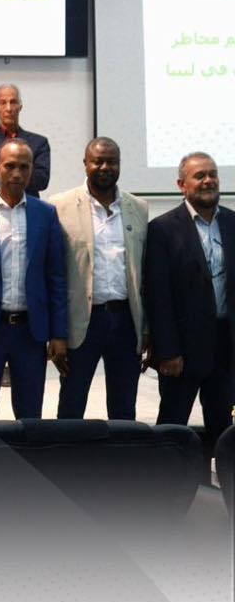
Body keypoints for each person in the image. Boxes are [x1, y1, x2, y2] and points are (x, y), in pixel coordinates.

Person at [0, 139, 69, 424]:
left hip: (30, 332)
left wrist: (58, 333)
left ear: (31, 171)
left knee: (30, 419)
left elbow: (56, 277)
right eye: (10, 166)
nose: (17, 173)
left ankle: (25, 455)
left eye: (24, 167)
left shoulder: (46, 214)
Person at [48, 138, 148, 421]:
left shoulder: (138, 207)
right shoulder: (59, 206)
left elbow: (144, 273)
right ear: (85, 164)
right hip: (82, 321)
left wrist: (147, 329)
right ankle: (67, 451)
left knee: (124, 406)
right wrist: (56, 333)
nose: (105, 167)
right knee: (72, 403)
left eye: (112, 161)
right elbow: (53, 274)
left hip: (125, 320)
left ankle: (120, 451)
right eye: (98, 161)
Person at [145, 151, 235, 448]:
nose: (208, 180)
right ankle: (164, 477)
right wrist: (168, 351)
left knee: (223, 427)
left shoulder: (232, 223)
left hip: (226, 346)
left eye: (213, 174)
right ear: (182, 185)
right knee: (172, 428)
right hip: (182, 351)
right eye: (200, 176)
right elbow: (158, 296)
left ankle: (224, 477)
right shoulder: (162, 229)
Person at [0, 84, 51, 198]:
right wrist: (24, 173)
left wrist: (4, 173)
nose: (9, 108)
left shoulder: (39, 143)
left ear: (20, 106)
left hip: (29, 205)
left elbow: (41, 181)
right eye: (3, 103)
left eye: (13, 102)